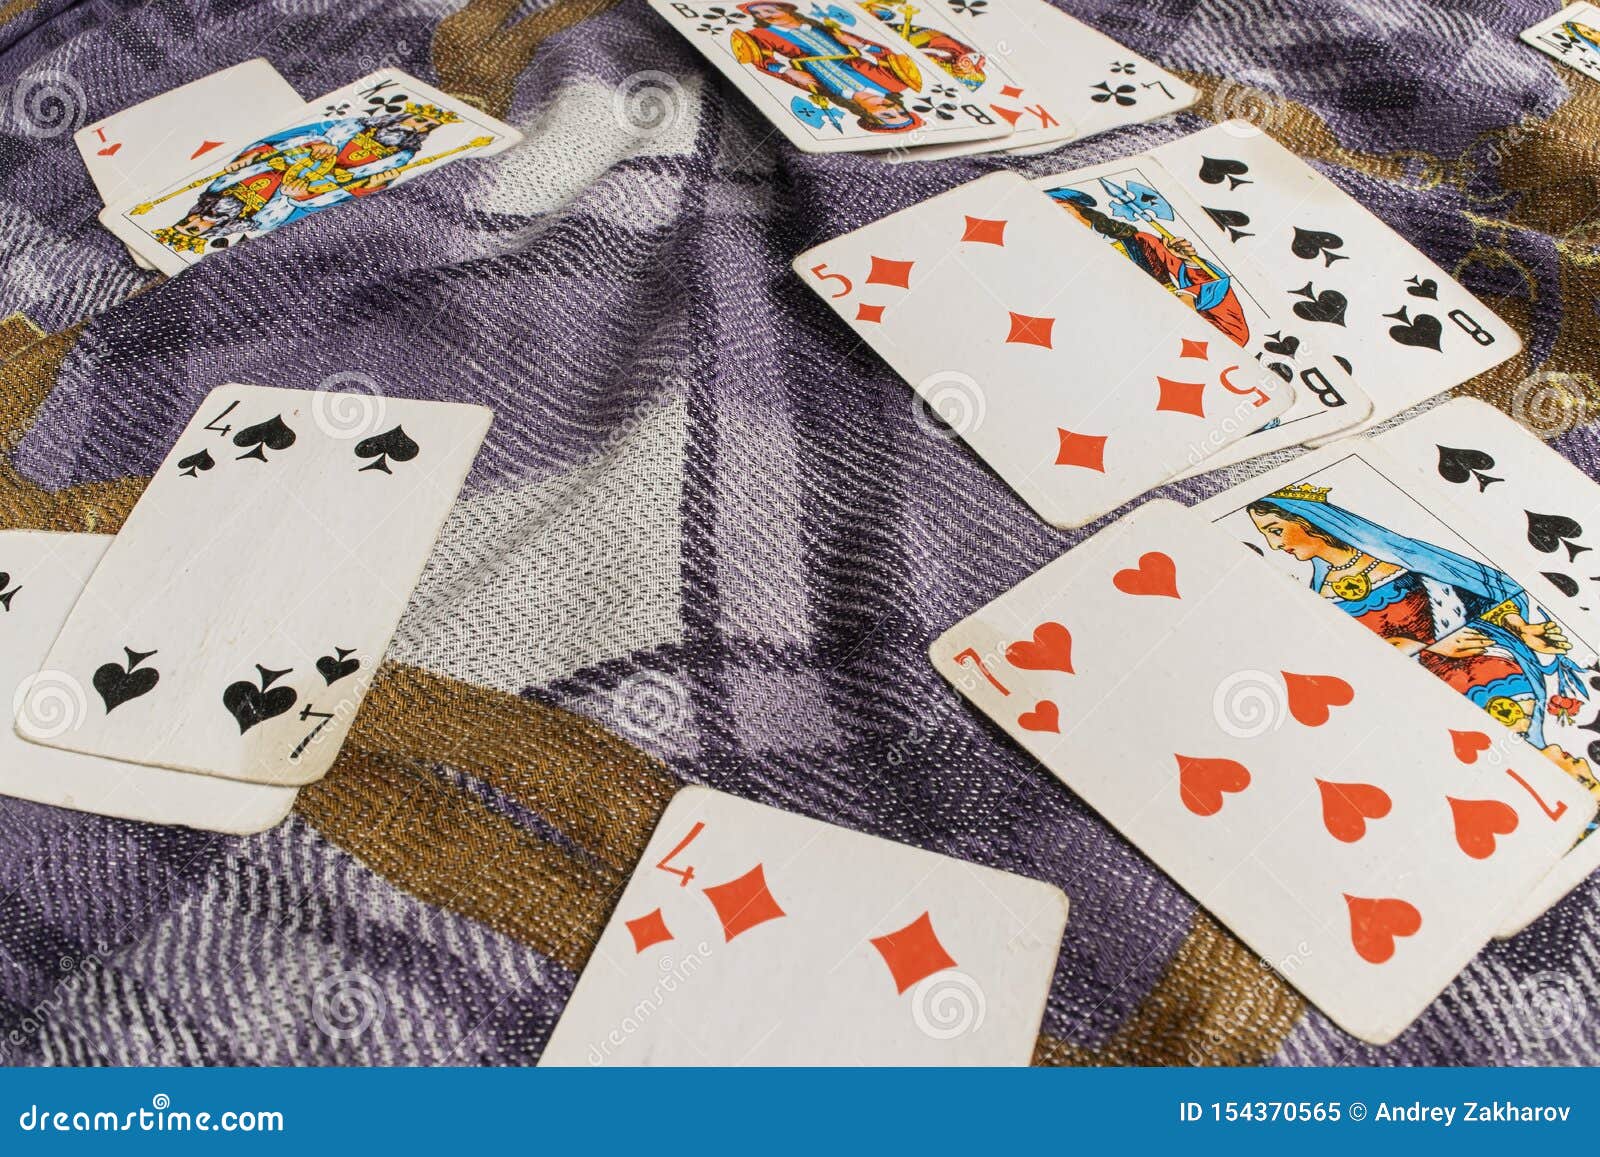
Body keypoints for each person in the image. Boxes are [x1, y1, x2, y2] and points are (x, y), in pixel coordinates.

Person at [1246, 482, 1598, 794]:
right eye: (1268, 535)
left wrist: (1520, 627)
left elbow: (1476, 594)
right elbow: (1355, 669)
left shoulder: (1406, 556)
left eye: (1276, 530)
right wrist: (1428, 648)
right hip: (1432, 696)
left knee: (1517, 747)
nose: (1274, 546)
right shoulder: (1320, 596)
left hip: (1495, 673)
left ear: (1308, 521)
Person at [150, 103, 462, 255]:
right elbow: (307, 201)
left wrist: (311, 149)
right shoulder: (264, 221)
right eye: (195, 228)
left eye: (424, 127)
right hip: (309, 176)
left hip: (318, 171)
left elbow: (352, 190)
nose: (416, 128)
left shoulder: (399, 154)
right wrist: (301, 188)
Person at [1045, 187, 1249, 346]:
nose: (1060, 221)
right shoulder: (1059, 260)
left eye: (1063, 211)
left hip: (1167, 316)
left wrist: (1187, 261)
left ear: (1081, 210)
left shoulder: (1139, 241)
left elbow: (1209, 281)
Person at [732, 2, 924, 134]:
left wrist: (788, 72)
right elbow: (886, 54)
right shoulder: (894, 84)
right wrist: (861, 45)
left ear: (868, 115)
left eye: (887, 115)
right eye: (902, 112)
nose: (893, 108)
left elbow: (763, 63)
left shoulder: (824, 93)